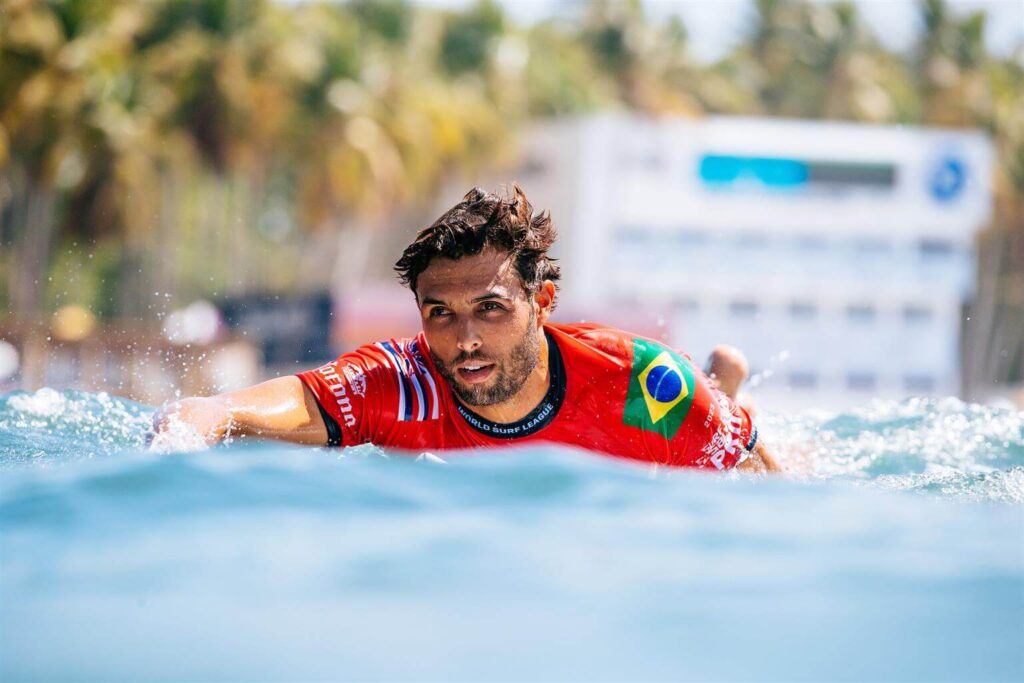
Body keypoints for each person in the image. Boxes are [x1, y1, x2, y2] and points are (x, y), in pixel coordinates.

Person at [152, 185, 781, 473]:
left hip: (675, 414)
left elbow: (772, 504)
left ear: (545, 301)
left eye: (491, 308)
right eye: (441, 314)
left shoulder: (648, 388)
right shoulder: (398, 383)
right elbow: (258, 405)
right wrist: (196, 423)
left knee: (723, 415)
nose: (466, 340)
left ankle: (728, 384)